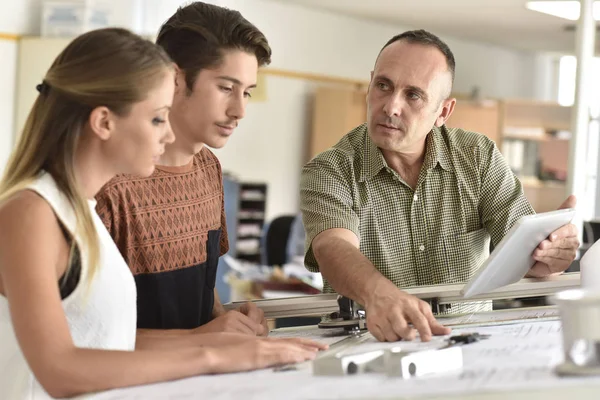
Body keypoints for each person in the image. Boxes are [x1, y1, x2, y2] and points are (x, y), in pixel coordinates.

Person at [0, 28, 325, 400]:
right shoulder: (31, 213)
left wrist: (234, 347)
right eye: (157, 119)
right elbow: (60, 370)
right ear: (104, 122)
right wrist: (210, 356)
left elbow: (114, 346)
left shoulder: (79, 212)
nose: (168, 136)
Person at [300, 29, 580, 343]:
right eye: (383, 86)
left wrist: (551, 252)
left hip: (469, 341)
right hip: (368, 343)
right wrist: (380, 295)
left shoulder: (478, 157)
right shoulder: (329, 169)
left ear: (443, 111)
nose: (391, 106)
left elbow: (530, 260)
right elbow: (333, 248)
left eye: (413, 95)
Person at [95, 2, 272, 338]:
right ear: (176, 79)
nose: (239, 111)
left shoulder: (209, 169)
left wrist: (230, 321)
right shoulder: (110, 184)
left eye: (246, 92)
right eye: (225, 88)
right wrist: (199, 340)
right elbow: (81, 337)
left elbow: (204, 294)